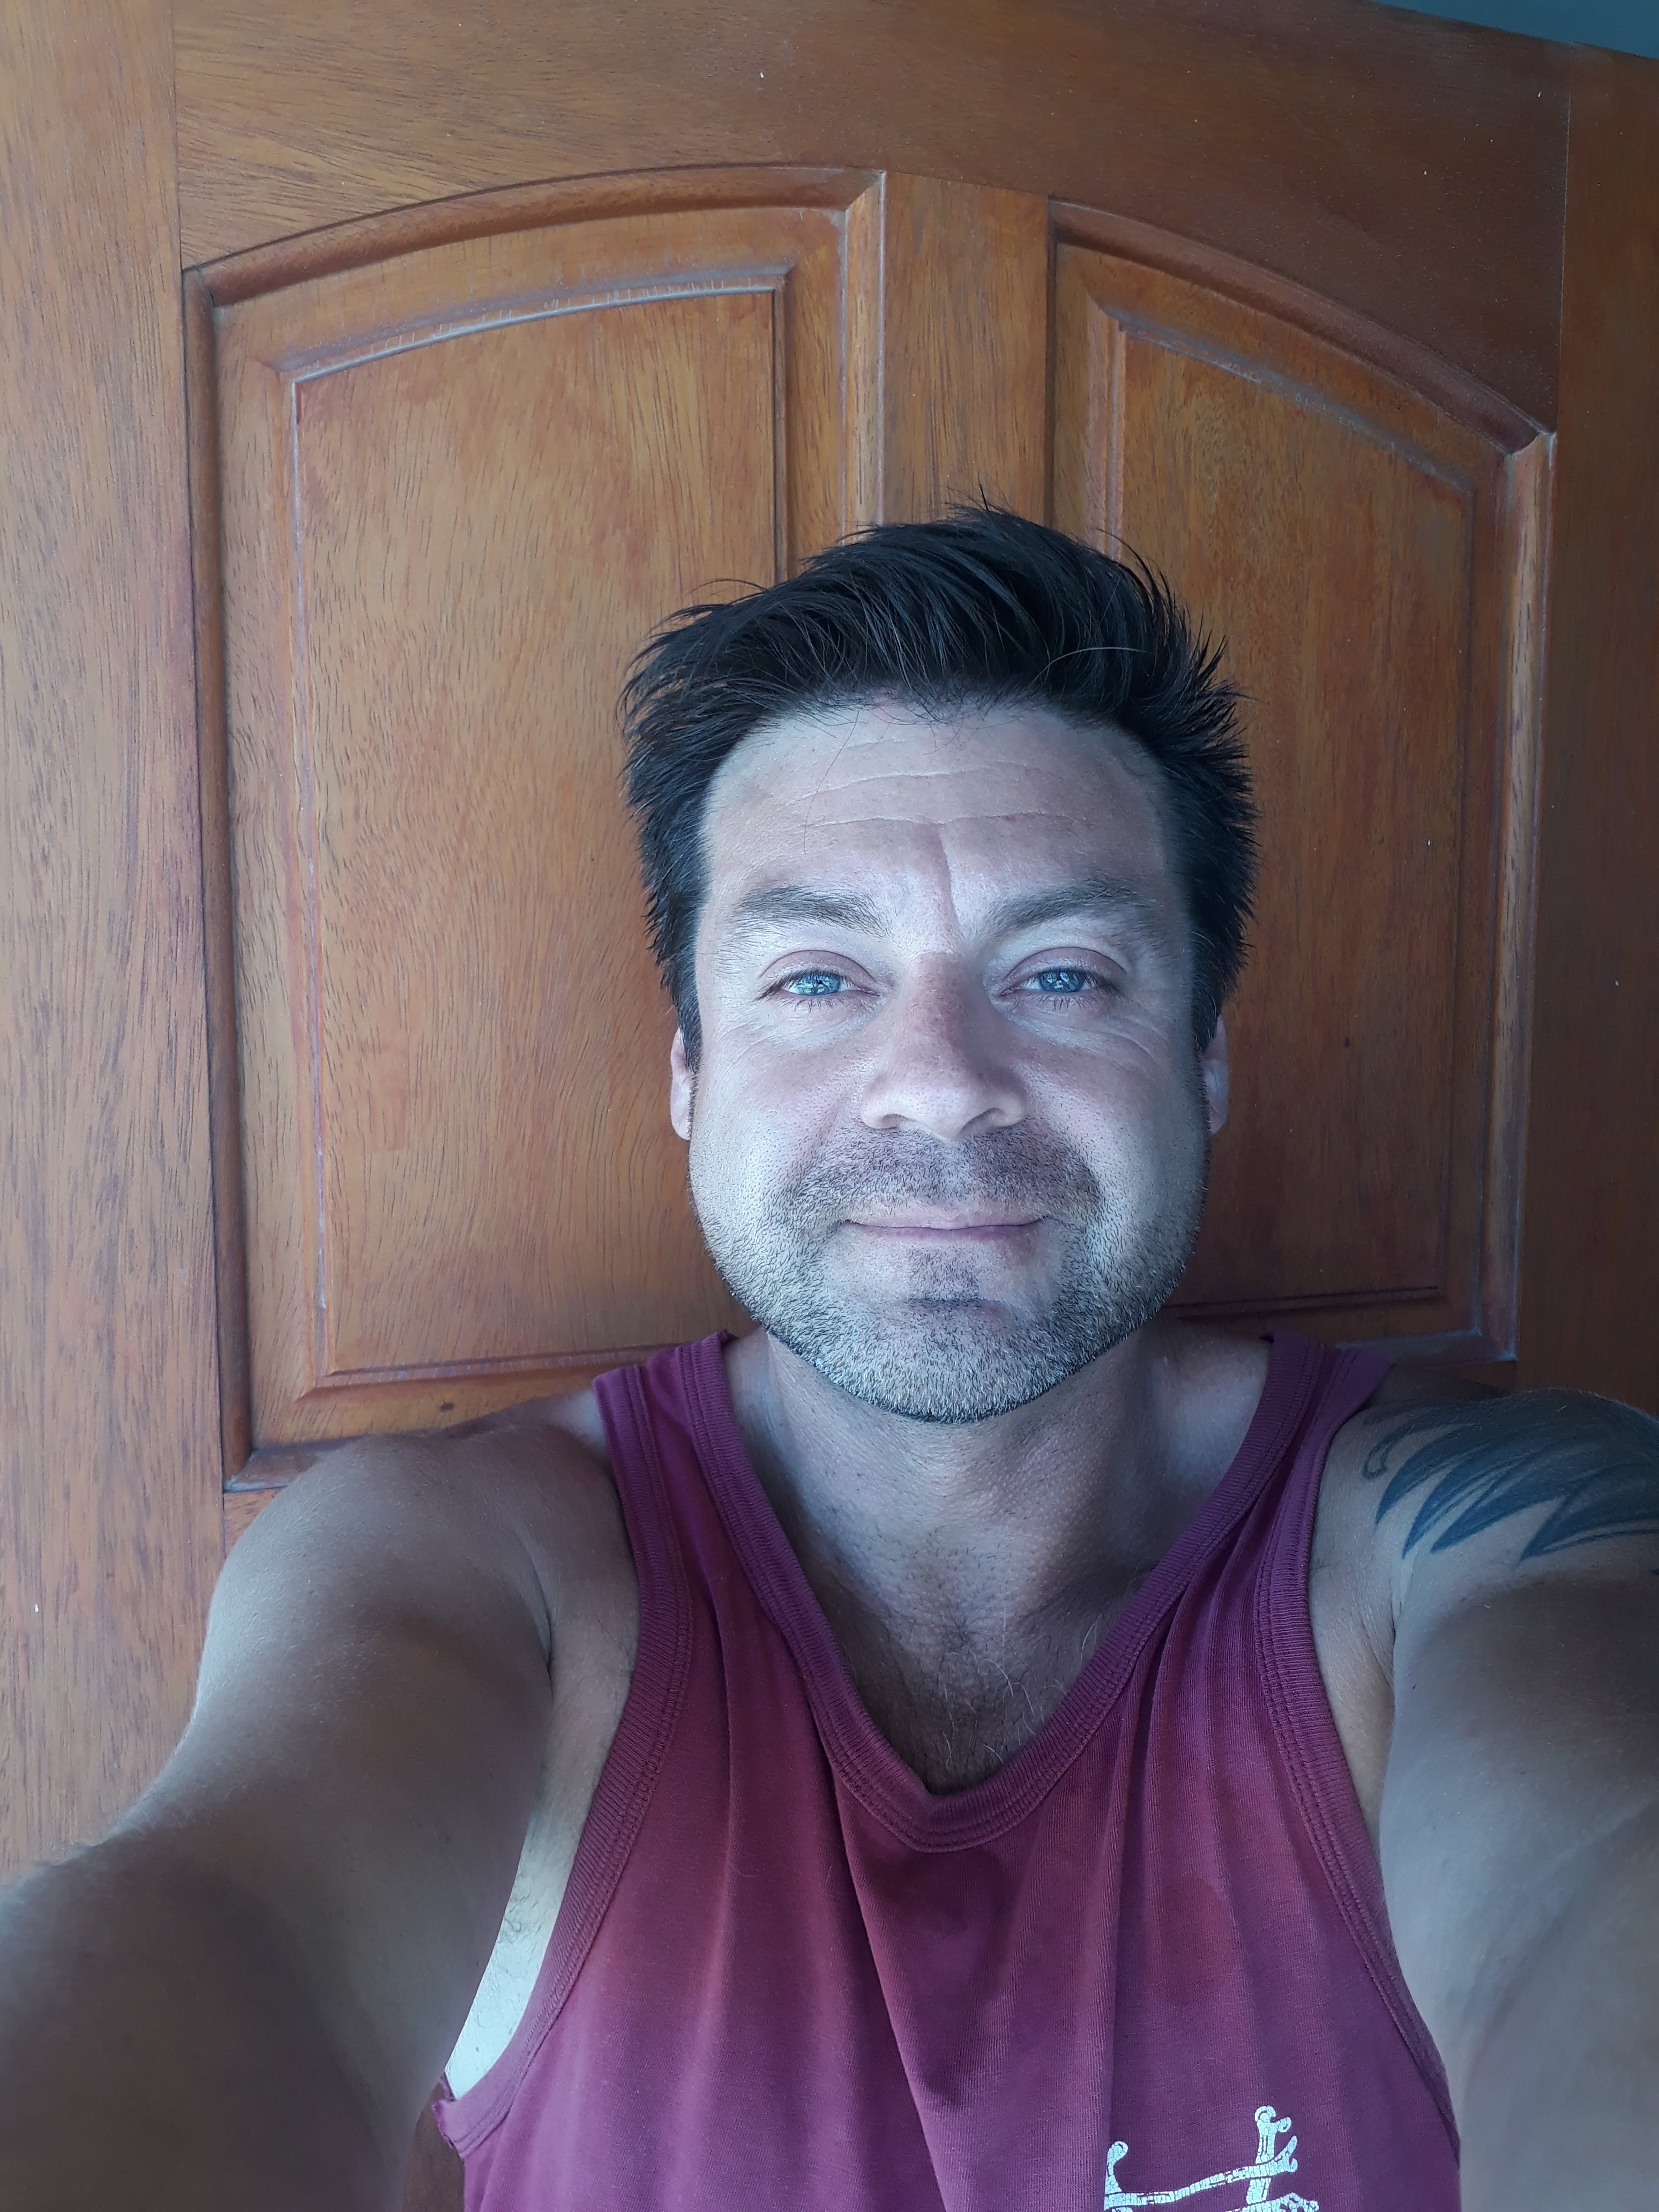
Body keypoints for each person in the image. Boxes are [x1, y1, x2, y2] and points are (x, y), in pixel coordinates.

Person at [1, 509, 1655, 2212]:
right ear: (689, 1075)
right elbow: (229, 1927)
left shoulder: (1483, 1540)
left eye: (1062, 974)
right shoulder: (470, 1570)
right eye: (817, 978)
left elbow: (1603, 1875)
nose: (938, 1081)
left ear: (1204, 1060)